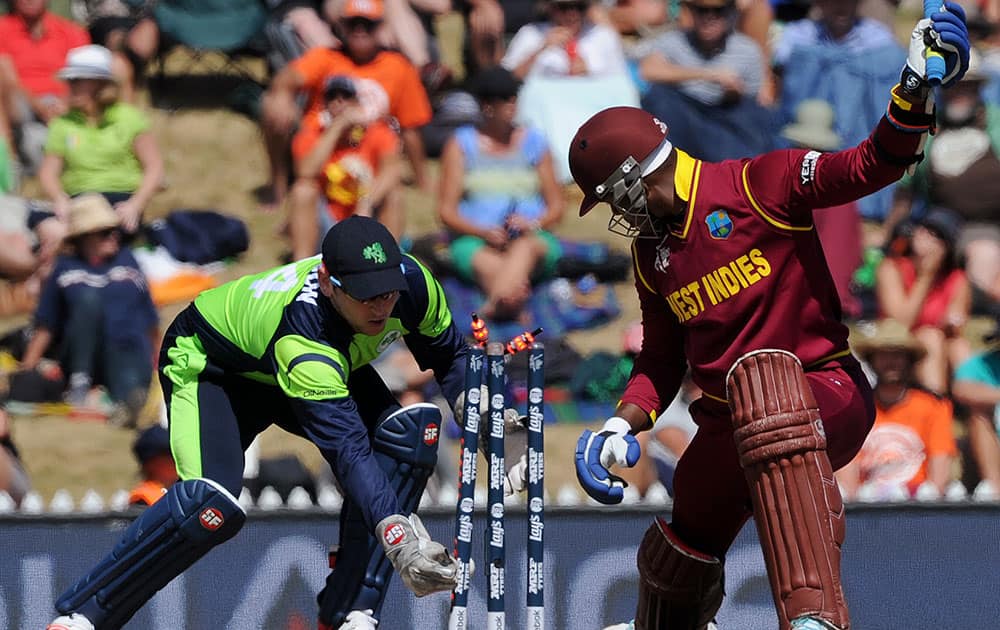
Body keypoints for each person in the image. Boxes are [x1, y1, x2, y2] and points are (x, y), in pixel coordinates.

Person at [568, 5, 970, 629]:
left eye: (614, 198)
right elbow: (660, 360)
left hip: (825, 391)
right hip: (731, 419)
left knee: (767, 401)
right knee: (676, 555)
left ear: (636, 177)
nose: (617, 216)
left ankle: (814, 617)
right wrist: (623, 425)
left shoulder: (759, 183)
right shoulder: (652, 255)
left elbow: (872, 164)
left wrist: (913, 89)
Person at [47, 216, 471, 630]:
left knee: (404, 439)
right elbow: (348, 451)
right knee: (209, 506)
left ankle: (350, 614)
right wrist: (401, 542)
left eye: (387, 293)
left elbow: (451, 356)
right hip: (216, 371)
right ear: (328, 282)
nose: (381, 306)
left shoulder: (413, 282)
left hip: (313, 362)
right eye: (365, 295)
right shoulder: (303, 337)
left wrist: (485, 417)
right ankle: (81, 617)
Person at [261, 0, 433, 213]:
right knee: (272, 106)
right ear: (342, 26)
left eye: (367, 24)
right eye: (353, 24)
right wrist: (281, 97)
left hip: (370, 157)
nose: (360, 31)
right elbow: (287, 78)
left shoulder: (398, 67)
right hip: (321, 150)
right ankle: (278, 186)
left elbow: (411, 127)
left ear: (381, 26)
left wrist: (422, 179)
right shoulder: (326, 57)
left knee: (393, 190)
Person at [436, 66, 565, 320]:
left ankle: (489, 311)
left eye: (515, 97)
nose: (512, 105)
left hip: (530, 237)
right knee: (491, 266)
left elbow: (557, 207)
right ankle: (515, 305)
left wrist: (532, 223)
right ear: (487, 106)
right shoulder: (462, 144)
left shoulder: (535, 141)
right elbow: (446, 212)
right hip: (476, 238)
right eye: (505, 99)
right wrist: (483, 232)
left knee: (524, 249)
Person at [20, 194, 158, 428]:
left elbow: (149, 320)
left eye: (115, 231)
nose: (114, 237)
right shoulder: (65, 268)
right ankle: (80, 382)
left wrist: (161, 360)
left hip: (124, 344)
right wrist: (26, 371)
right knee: (88, 300)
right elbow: (47, 323)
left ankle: (128, 404)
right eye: (105, 233)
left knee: (131, 376)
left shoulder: (128, 260)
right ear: (85, 237)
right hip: (79, 352)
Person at [38, 44, 164, 240]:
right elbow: (48, 173)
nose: (70, 86)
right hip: (79, 199)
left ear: (100, 83)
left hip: (121, 199)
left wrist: (136, 204)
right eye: (71, 80)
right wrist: (58, 198)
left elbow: (154, 167)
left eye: (78, 80)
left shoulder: (128, 118)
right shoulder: (62, 124)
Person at [837, 319, 958, 500]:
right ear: (872, 359)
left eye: (897, 355)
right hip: (867, 506)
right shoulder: (857, 407)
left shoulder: (934, 406)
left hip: (918, 505)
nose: (891, 362)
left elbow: (940, 472)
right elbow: (847, 474)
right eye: (884, 355)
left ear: (909, 360)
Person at [288, 74, 402, 259]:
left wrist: (366, 202)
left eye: (346, 96)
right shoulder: (311, 135)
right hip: (328, 223)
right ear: (324, 104)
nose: (339, 101)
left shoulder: (377, 132)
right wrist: (338, 126)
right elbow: (305, 171)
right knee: (303, 190)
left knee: (394, 194)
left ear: (358, 102)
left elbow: (393, 170)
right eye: (332, 96)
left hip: (365, 216)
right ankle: (302, 268)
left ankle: (392, 262)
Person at [875, 208, 972, 394]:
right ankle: (935, 404)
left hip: (940, 346)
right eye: (924, 229)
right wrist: (926, 277)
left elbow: (957, 326)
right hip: (897, 343)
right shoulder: (891, 268)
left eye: (936, 236)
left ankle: (975, 407)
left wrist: (952, 323)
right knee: (930, 337)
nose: (925, 237)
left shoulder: (956, 278)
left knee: (959, 346)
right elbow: (900, 324)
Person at [0, 0, 90, 174]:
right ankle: (7, 164)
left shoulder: (69, 31)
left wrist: (66, 102)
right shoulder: (3, 29)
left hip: (63, 103)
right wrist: (39, 106)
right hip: (19, 105)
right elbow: (7, 77)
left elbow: (85, 75)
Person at [501, 0, 627, 79]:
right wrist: (542, 49)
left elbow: (620, 82)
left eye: (579, 7)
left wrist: (589, 71)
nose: (573, 14)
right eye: (564, 7)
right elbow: (508, 80)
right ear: (550, 7)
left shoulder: (603, 36)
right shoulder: (531, 34)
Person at [952, 308, 1000, 494]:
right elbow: (962, 388)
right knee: (979, 416)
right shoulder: (984, 362)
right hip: (995, 437)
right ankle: (995, 488)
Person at [128, 424, 179, 507]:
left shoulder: (176, 491)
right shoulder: (143, 498)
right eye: (170, 458)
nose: (175, 464)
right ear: (152, 464)